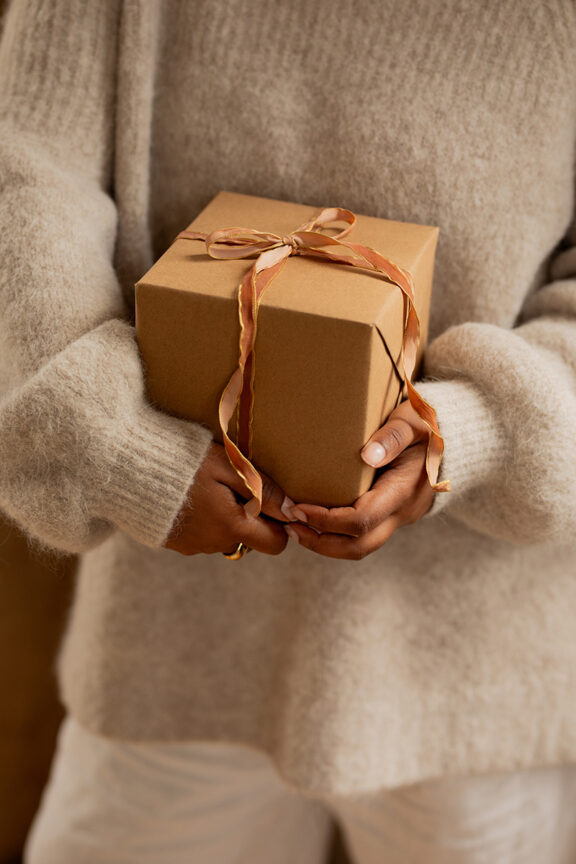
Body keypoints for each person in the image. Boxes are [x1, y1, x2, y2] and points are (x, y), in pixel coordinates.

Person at [0, 0, 575, 861]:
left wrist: (480, 426)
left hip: (475, 677)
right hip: (170, 646)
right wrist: (115, 448)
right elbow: (25, 171)